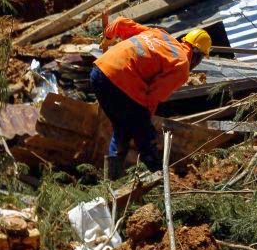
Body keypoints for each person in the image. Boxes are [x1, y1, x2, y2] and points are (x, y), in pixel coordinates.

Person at [89, 17, 211, 179]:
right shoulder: (181, 66)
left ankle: (111, 181)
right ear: (197, 56)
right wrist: (145, 122)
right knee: (145, 136)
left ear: (185, 41)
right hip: (122, 83)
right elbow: (152, 97)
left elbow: (120, 23)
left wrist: (108, 37)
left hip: (99, 72)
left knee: (122, 129)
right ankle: (160, 178)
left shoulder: (159, 34)